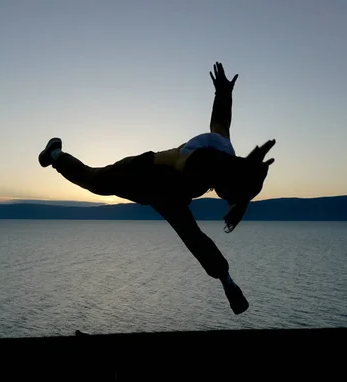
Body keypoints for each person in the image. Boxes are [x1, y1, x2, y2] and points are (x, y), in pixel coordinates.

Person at [38, 62, 275, 315]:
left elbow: (220, 121)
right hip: (144, 173)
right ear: (227, 178)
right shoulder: (202, 162)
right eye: (228, 194)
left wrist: (224, 92)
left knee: (191, 234)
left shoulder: (224, 149)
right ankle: (56, 154)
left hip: (169, 189)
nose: (223, 196)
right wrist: (241, 198)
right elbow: (213, 169)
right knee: (95, 181)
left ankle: (228, 283)